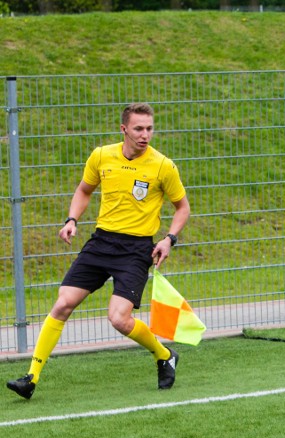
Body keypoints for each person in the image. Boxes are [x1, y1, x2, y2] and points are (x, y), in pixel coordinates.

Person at [6, 103, 191, 400]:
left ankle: (164, 354)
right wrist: (71, 220)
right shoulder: (102, 155)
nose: (145, 135)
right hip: (102, 242)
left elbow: (182, 207)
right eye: (138, 129)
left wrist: (169, 238)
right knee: (63, 303)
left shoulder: (162, 165)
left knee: (119, 319)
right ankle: (31, 377)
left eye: (149, 128)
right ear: (124, 129)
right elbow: (84, 190)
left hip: (135, 249)